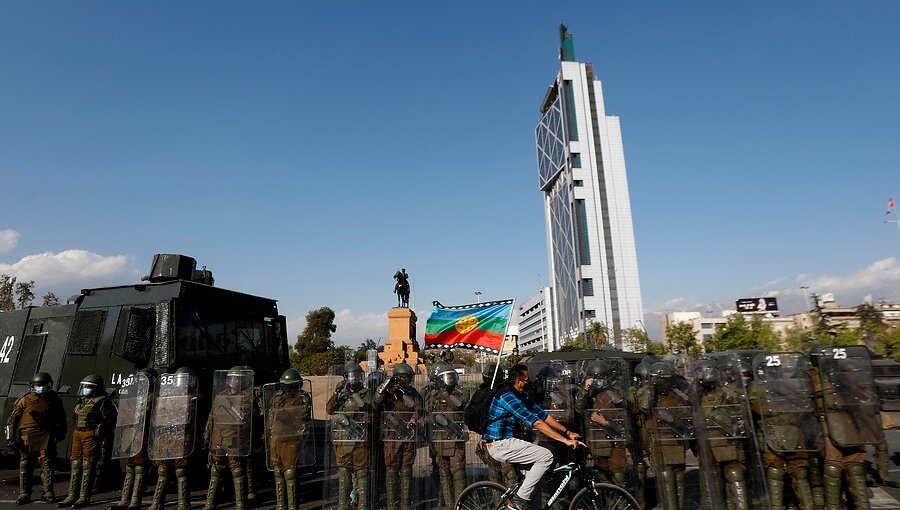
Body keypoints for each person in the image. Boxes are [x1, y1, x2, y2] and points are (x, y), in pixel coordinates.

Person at [483, 364, 584, 510]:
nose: (530, 383)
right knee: (546, 456)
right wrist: (564, 440)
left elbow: (542, 415)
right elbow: (536, 422)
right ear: (519, 381)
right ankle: (518, 501)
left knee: (538, 479)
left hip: (511, 443)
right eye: (527, 380)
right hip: (500, 445)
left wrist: (567, 432)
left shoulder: (520, 395)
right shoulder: (507, 397)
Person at [6, 372, 67, 505]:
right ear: (32, 386)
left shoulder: (54, 400)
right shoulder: (25, 400)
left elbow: (62, 418)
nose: (40, 387)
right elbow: (11, 421)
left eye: (43, 385)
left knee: (47, 464)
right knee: (25, 464)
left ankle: (48, 491)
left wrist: (61, 433)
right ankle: (24, 492)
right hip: (27, 437)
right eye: (38, 385)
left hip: (46, 435)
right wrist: (10, 438)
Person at [59, 374, 117, 508]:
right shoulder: (82, 401)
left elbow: (109, 419)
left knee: (87, 465)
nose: (85, 389)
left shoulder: (102, 400)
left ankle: (84, 497)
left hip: (90, 434)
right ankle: (72, 495)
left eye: (88, 387)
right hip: (78, 433)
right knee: (75, 464)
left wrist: (100, 433)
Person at [204, 366, 254, 510]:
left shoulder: (245, 398)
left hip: (235, 439)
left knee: (237, 471)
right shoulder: (220, 396)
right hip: (218, 439)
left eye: (239, 378)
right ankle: (209, 504)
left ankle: (240, 505)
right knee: (215, 471)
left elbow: (247, 419)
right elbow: (211, 417)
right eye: (235, 378)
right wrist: (207, 435)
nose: (236, 381)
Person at [326, 362, 374, 510]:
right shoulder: (341, 394)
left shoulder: (366, 393)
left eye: (357, 376)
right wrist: (336, 392)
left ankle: (362, 505)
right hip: (343, 439)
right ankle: (343, 504)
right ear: (345, 378)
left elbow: (371, 412)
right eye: (351, 377)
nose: (354, 380)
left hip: (360, 438)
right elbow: (329, 409)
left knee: (362, 472)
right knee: (343, 473)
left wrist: (359, 419)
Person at [148, 367, 197, 510]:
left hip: (181, 437)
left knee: (181, 471)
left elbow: (192, 419)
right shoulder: (167, 396)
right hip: (166, 436)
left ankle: (183, 503)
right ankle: (157, 503)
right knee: (162, 471)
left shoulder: (193, 398)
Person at [375, 362, 421, 510]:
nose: (408, 381)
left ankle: (405, 504)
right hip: (391, 436)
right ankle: (391, 504)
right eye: (406, 378)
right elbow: (376, 402)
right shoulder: (388, 392)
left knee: (407, 469)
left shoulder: (412, 392)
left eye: (409, 378)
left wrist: (415, 418)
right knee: (391, 470)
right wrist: (387, 389)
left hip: (408, 434)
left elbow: (420, 409)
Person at [265, 368, 313, 510]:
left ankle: (292, 505)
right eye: (287, 385)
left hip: (292, 439)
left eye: (291, 385)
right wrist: (268, 433)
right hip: (276, 439)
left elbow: (303, 419)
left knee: (290, 473)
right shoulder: (277, 398)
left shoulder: (303, 398)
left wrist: (288, 418)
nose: (289, 389)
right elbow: (270, 418)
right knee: (278, 472)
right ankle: (281, 505)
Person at [109, 368, 157, 510]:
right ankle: (124, 499)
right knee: (129, 467)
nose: (140, 382)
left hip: (143, 434)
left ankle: (135, 500)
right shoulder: (133, 395)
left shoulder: (153, 397)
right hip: (130, 433)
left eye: (144, 380)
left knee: (140, 467)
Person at [425, 362, 469, 507]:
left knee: (458, 474)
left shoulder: (460, 393)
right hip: (439, 440)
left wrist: (445, 394)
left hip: (455, 439)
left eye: (452, 377)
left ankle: (459, 505)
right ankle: (449, 504)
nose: (451, 380)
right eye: (447, 378)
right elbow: (426, 413)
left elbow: (458, 405)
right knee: (443, 474)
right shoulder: (432, 395)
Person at [472, 364, 519, 489]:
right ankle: (513, 506)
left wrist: (483, 430)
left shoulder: (481, 394)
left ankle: (499, 505)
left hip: (489, 442)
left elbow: (471, 418)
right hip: (507, 441)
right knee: (511, 478)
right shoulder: (506, 393)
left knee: (495, 480)